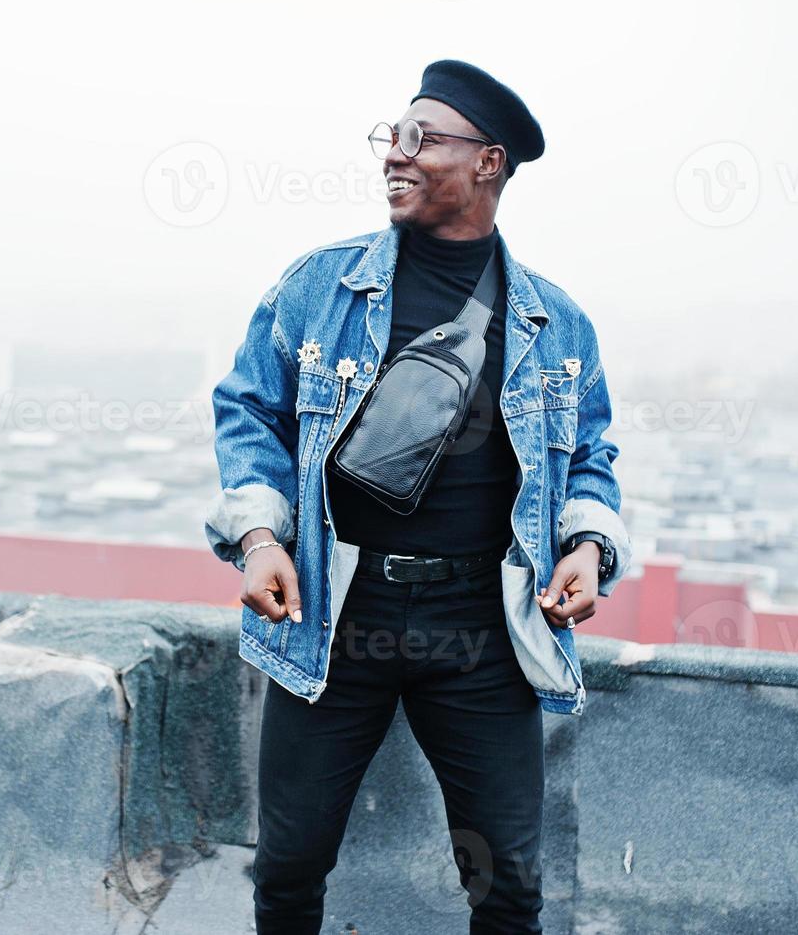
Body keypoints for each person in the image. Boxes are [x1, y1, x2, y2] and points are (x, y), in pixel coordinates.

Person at [204, 59, 631, 934]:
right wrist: (259, 537)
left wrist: (586, 550)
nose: (393, 156)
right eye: (389, 138)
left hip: (482, 625)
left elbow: (589, 452)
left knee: (508, 882)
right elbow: (248, 410)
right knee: (287, 866)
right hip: (334, 609)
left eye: (420, 139)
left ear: (487, 162)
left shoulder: (556, 321)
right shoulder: (319, 288)